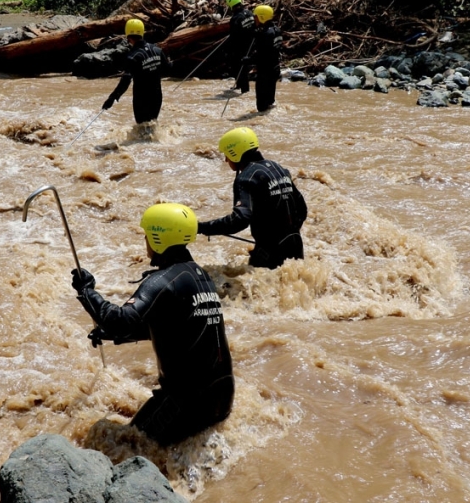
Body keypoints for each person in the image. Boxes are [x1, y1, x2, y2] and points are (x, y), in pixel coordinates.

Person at [70, 203, 234, 446]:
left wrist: (87, 292)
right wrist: (113, 335)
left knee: (127, 447)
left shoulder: (161, 280)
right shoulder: (199, 276)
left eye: (147, 235)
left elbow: (120, 320)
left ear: (159, 238)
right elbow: (175, 326)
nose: (145, 241)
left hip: (186, 402)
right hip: (221, 396)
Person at [198, 127, 307, 269]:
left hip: (269, 253)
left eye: (227, 155)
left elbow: (239, 220)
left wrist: (202, 227)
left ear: (235, 153)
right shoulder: (278, 168)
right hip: (296, 246)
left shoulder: (246, 178)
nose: (226, 160)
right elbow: (302, 209)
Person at [102, 18, 171, 125]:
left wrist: (112, 98)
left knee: (142, 127)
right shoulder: (157, 50)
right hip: (157, 96)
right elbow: (167, 68)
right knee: (152, 125)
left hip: (141, 99)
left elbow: (125, 81)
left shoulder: (133, 56)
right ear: (142, 32)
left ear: (128, 36)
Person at [242, 5, 282, 112]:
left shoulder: (265, 34)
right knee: (270, 102)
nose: (254, 19)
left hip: (265, 72)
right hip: (274, 68)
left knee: (261, 107)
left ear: (262, 17)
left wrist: (248, 60)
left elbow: (262, 54)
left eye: (256, 17)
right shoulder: (276, 30)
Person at [224, 0, 255, 94]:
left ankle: (244, 90)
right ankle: (239, 85)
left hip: (240, 46)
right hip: (252, 44)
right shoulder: (249, 13)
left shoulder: (235, 18)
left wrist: (229, 49)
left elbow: (233, 36)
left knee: (240, 67)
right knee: (242, 67)